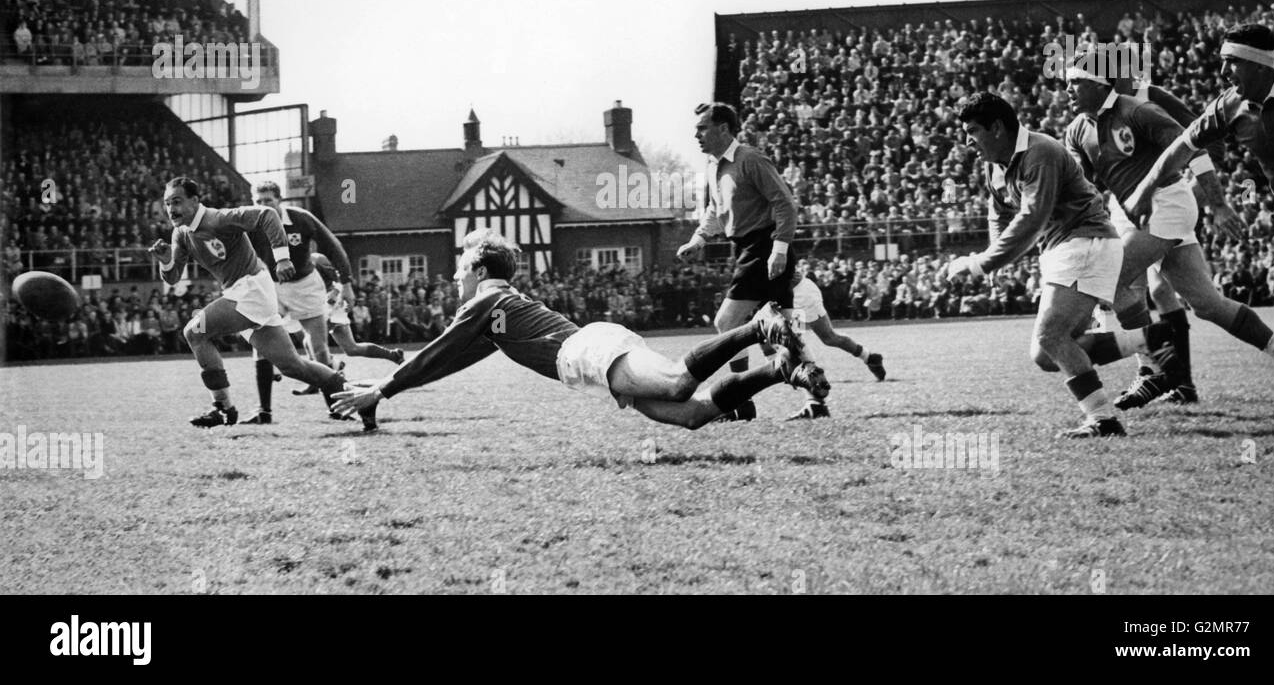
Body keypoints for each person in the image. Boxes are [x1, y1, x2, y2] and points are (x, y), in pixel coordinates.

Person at [330, 230, 828, 428]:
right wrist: (385, 393)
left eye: (461, 267)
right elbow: (450, 359)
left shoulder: (487, 300)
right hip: (589, 359)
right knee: (691, 415)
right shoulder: (496, 312)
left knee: (680, 381)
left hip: (589, 352)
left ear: (480, 272)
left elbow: (436, 351)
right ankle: (779, 368)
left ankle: (756, 326)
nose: (455, 275)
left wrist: (382, 389)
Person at [1061, 56, 1274, 414]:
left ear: (1097, 83)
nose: (1067, 90)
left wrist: (1216, 204)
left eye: (1075, 82)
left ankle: (1155, 367)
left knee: (1110, 280)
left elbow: (1194, 149)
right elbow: (1086, 187)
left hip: (1167, 203)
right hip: (1127, 211)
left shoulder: (1139, 110)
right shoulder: (1077, 130)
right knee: (1207, 304)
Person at [946, 92, 1178, 439]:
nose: (968, 141)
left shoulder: (1040, 152)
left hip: (1084, 243)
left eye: (973, 131)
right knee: (1045, 353)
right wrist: (994, 260)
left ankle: (1103, 419)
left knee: (1051, 335)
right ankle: (1151, 339)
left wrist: (981, 263)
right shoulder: (995, 166)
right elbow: (1000, 213)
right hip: (1064, 249)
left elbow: (1032, 217)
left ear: (996, 128)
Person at [1124, 24, 1274, 422]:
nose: (1223, 73)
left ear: (1258, 64)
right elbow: (1181, 147)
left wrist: (1215, 202)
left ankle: (1156, 370)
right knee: (1198, 299)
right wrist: (1143, 192)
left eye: (1231, 63)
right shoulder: (1230, 105)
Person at [148, 177, 373, 431]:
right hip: (243, 291)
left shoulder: (218, 218)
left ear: (195, 201)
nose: (171, 209)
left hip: (251, 287)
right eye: (167, 204)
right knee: (292, 366)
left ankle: (223, 407)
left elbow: (267, 214)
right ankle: (360, 397)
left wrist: (283, 258)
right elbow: (173, 276)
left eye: (177, 202)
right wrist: (165, 261)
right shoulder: (181, 233)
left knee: (195, 331)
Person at [676, 102, 826, 420]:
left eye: (703, 127)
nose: (696, 134)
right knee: (789, 326)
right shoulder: (714, 165)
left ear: (724, 129)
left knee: (726, 322)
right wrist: (698, 240)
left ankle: (741, 402)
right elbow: (716, 210)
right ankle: (816, 402)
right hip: (749, 247)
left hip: (764, 246)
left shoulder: (750, 159)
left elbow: (785, 203)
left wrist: (780, 249)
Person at [243, 181, 365, 425]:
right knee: (261, 344)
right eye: (259, 202)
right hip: (272, 286)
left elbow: (333, 246)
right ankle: (264, 412)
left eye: (268, 201)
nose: (263, 206)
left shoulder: (301, 219)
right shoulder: (250, 223)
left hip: (305, 285)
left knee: (318, 348)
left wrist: (348, 283)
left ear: (280, 200)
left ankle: (336, 407)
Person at [786, 263, 886, 420]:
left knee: (809, 339)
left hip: (799, 295)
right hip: (792, 294)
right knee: (822, 338)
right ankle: (870, 358)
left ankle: (813, 400)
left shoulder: (764, 244)